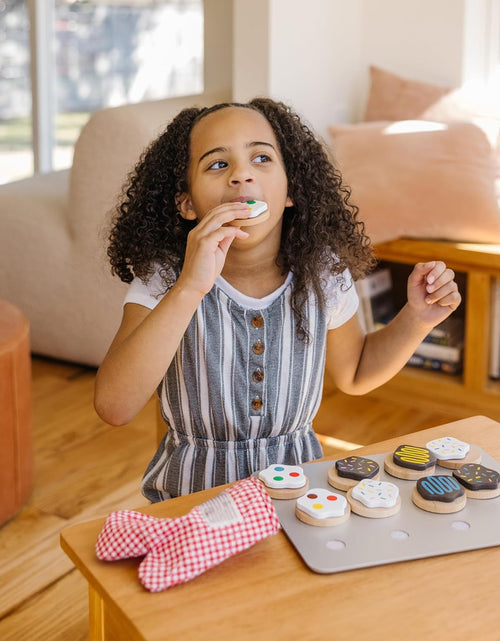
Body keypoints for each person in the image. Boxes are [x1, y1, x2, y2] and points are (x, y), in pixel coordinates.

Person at [94, 98, 461, 501]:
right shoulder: (165, 276)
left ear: (290, 191)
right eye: (218, 164)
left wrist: (418, 319)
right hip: (190, 502)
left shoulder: (322, 272)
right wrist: (189, 287)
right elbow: (115, 406)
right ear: (186, 203)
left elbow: (355, 373)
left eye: (261, 159)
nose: (241, 176)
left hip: (297, 498)